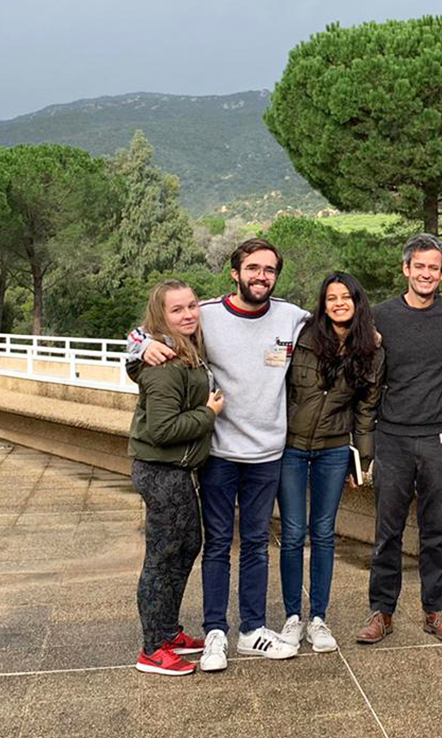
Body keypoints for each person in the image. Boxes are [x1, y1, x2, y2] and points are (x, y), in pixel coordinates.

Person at [131, 239, 309, 671]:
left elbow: (343, 320)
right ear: (236, 272)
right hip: (219, 455)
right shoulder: (205, 314)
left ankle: (251, 630)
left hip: (268, 454)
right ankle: (215, 632)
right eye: (252, 267)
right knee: (213, 546)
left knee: (255, 545)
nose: (260, 276)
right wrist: (137, 347)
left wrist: (374, 331)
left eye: (269, 269)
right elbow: (152, 332)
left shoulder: (291, 316)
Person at [356, 233, 442, 645]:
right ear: (406, 269)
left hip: (440, 437)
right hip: (393, 437)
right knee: (388, 531)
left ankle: (434, 610)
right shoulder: (380, 316)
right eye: (419, 266)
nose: (426, 274)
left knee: (435, 530)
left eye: (434, 268)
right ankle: (381, 612)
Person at [278, 272, 384, 653]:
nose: (339, 303)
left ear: (358, 302)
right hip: (289, 447)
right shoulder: (302, 336)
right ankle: (293, 617)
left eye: (346, 297)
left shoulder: (370, 348)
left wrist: (363, 459)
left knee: (323, 532)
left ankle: (318, 618)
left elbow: (367, 408)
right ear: (322, 304)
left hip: (335, 449)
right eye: (331, 298)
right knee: (292, 533)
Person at [128, 280, 224, 675]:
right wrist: (209, 413)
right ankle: (152, 649)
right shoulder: (164, 363)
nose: (187, 314)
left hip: (179, 471)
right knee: (162, 557)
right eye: (176, 310)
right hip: (161, 471)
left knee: (186, 547)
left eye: (191, 306)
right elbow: (162, 429)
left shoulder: (185, 349)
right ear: (160, 316)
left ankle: (168, 631)